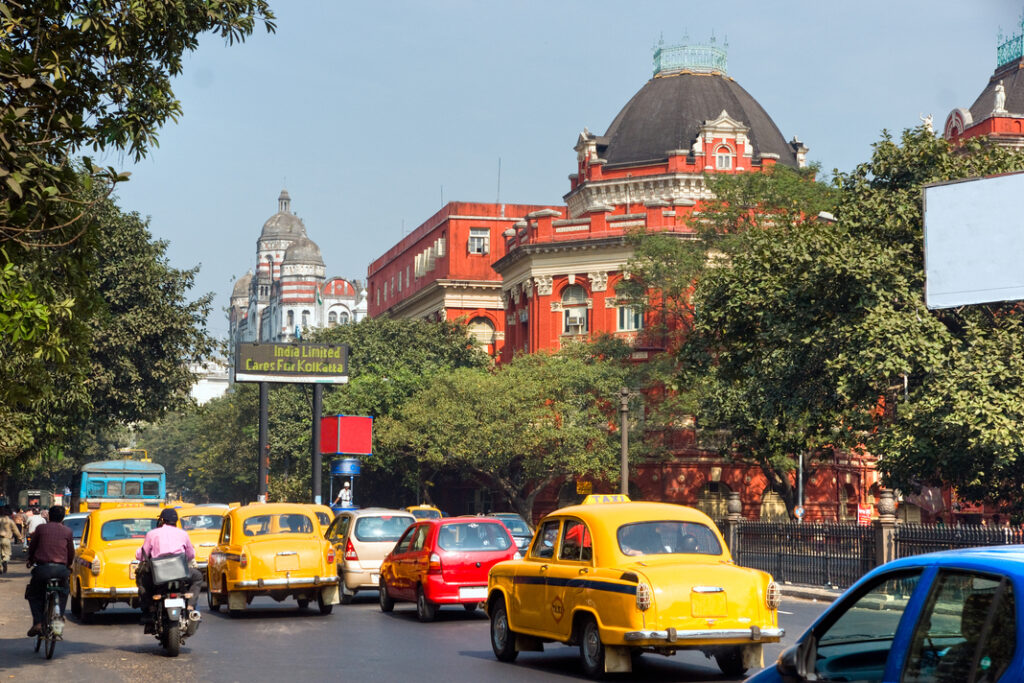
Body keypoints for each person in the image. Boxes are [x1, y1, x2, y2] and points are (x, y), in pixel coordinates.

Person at [135, 508, 203, 633]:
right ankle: (190, 605)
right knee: (197, 577)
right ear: (175, 521)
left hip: (158, 574)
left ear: (162, 520)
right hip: (180, 572)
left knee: (142, 581)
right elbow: (191, 554)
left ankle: (149, 609)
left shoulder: (152, 534)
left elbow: (141, 555)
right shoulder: (183, 534)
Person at [25, 505, 74, 637]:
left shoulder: (41, 529)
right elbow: (71, 553)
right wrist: (69, 565)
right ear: (63, 517)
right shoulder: (67, 531)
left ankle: (38, 623)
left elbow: (32, 547)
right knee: (64, 592)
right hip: (61, 570)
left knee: (33, 594)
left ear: (49, 516)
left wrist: (30, 560)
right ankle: (59, 616)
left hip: (42, 569)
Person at [0, 506, 24, 573]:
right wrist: (20, 538)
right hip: (6, 539)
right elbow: (15, 530)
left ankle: (0, 565)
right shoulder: (10, 521)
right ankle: (5, 561)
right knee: (7, 553)